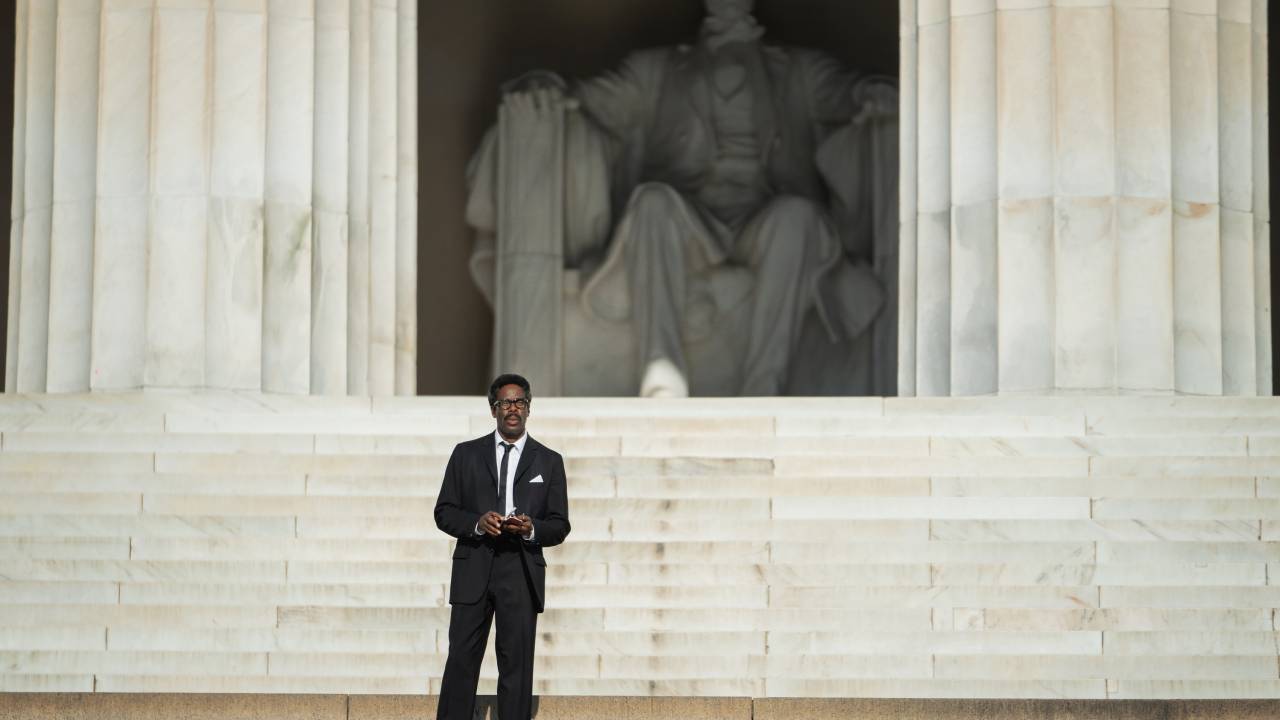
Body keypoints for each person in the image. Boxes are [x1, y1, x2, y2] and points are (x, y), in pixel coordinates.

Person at [466, 0, 897, 397]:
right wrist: (546, 86)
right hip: (691, 220)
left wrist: (872, 93)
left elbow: (847, 94)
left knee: (799, 217)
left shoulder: (799, 70)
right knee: (652, 201)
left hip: (763, 216)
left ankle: (765, 381)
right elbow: (592, 99)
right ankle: (662, 365)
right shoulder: (656, 70)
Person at [434, 373, 571, 720]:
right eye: (506, 402)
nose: (513, 409)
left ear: (529, 408)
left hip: (521, 569)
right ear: (493, 408)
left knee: (517, 666)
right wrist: (477, 523)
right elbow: (444, 511)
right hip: (474, 566)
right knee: (462, 661)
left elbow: (559, 524)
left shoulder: (549, 460)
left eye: (520, 402)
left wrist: (531, 529)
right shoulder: (465, 454)